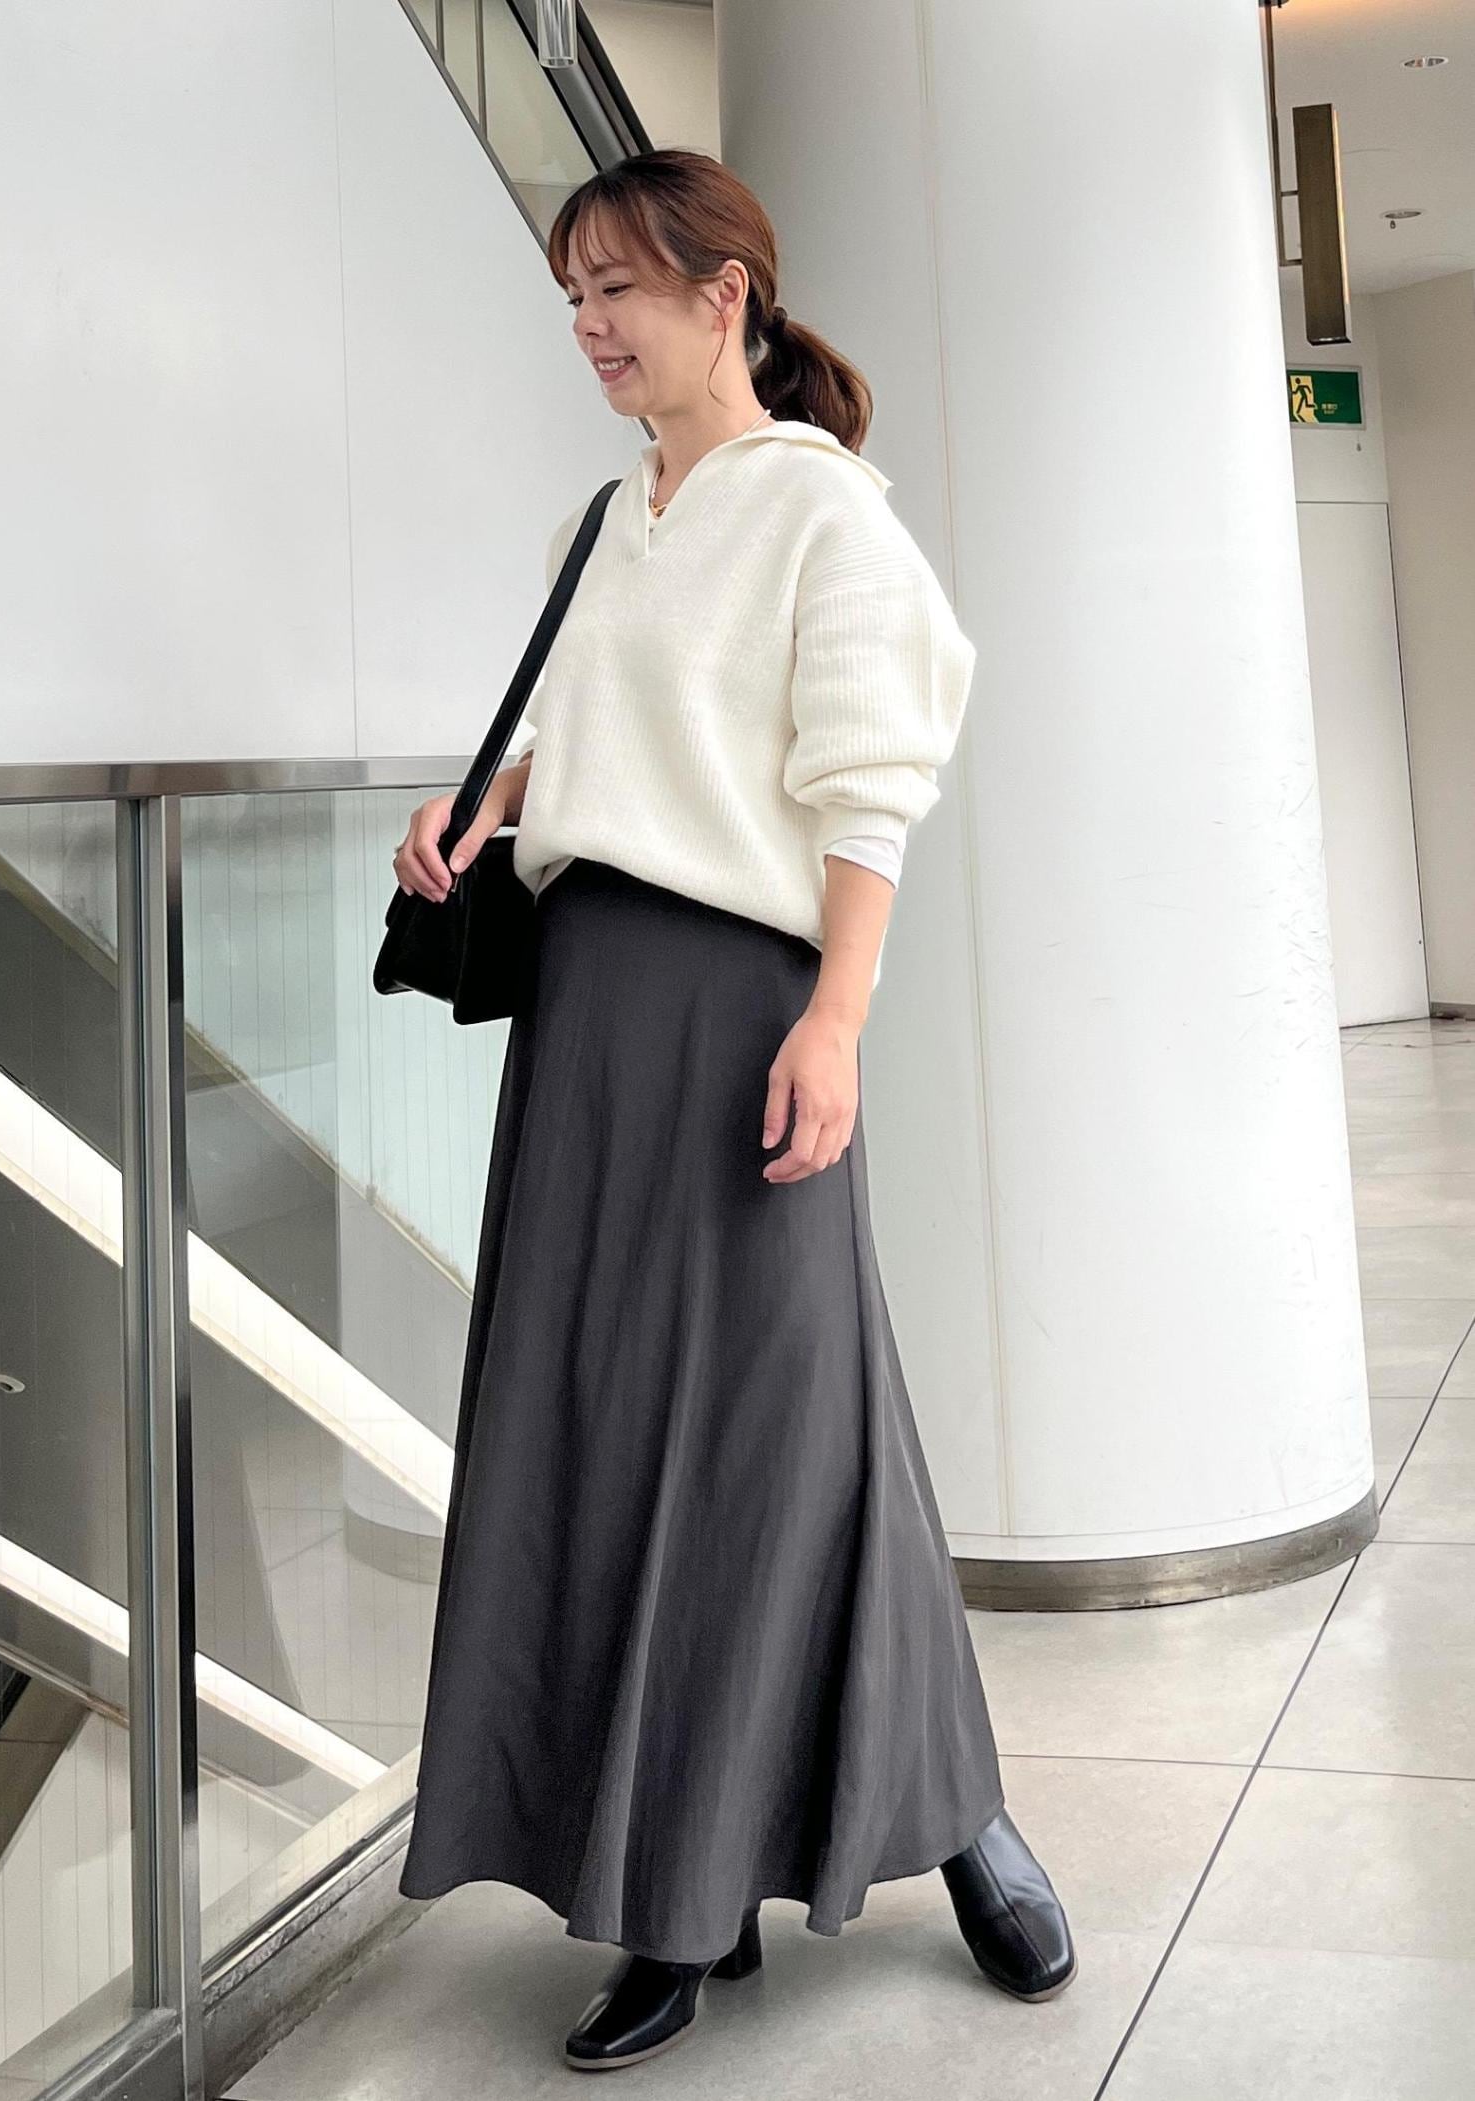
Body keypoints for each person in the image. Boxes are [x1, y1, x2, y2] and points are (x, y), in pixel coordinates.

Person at [391, 147, 1075, 2075]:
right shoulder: (600, 525)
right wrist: (484, 805)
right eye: (573, 296)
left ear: (726, 296)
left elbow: (868, 783)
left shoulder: (825, 514)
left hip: (744, 1009)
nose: (591, 327)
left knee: (793, 1431)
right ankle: (678, 1892)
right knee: (611, 1430)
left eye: (618, 288)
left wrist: (837, 1018)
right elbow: (601, 742)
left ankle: (954, 1813)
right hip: (586, 1016)